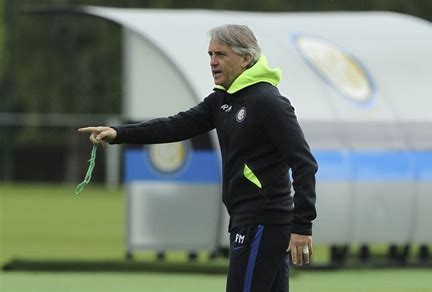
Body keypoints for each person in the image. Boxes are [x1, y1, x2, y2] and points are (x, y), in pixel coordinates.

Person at [79, 24, 317, 292]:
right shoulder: (222, 101)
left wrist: (302, 226)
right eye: (210, 54)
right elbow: (174, 126)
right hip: (246, 219)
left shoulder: (268, 102)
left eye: (221, 55)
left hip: (264, 222)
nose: (213, 62)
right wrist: (118, 133)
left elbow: (304, 163)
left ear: (246, 58)